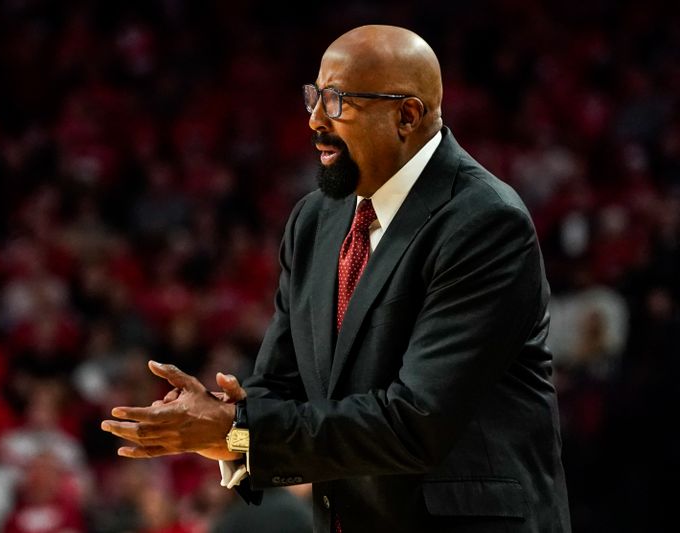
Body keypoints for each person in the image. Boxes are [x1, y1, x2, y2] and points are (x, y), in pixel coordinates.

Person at [102, 25, 571, 532]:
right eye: (314, 96)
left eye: (337, 101)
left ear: (406, 116)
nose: (314, 120)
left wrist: (242, 428)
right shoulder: (315, 220)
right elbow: (282, 388)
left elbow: (416, 423)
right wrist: (223, 425)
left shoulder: (484, 223)